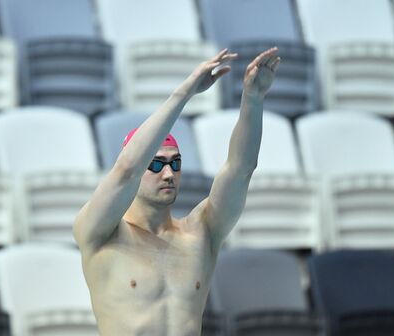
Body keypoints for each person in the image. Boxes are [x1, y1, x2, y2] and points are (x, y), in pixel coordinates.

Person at [74, 47, 281, 336]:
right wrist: (184, 94)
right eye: (155, 164)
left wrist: (253, 99)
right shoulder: (100, 232)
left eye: (175, 163)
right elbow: (126, 171)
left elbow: (240, 170)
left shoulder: (201, 234)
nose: (169, 173)